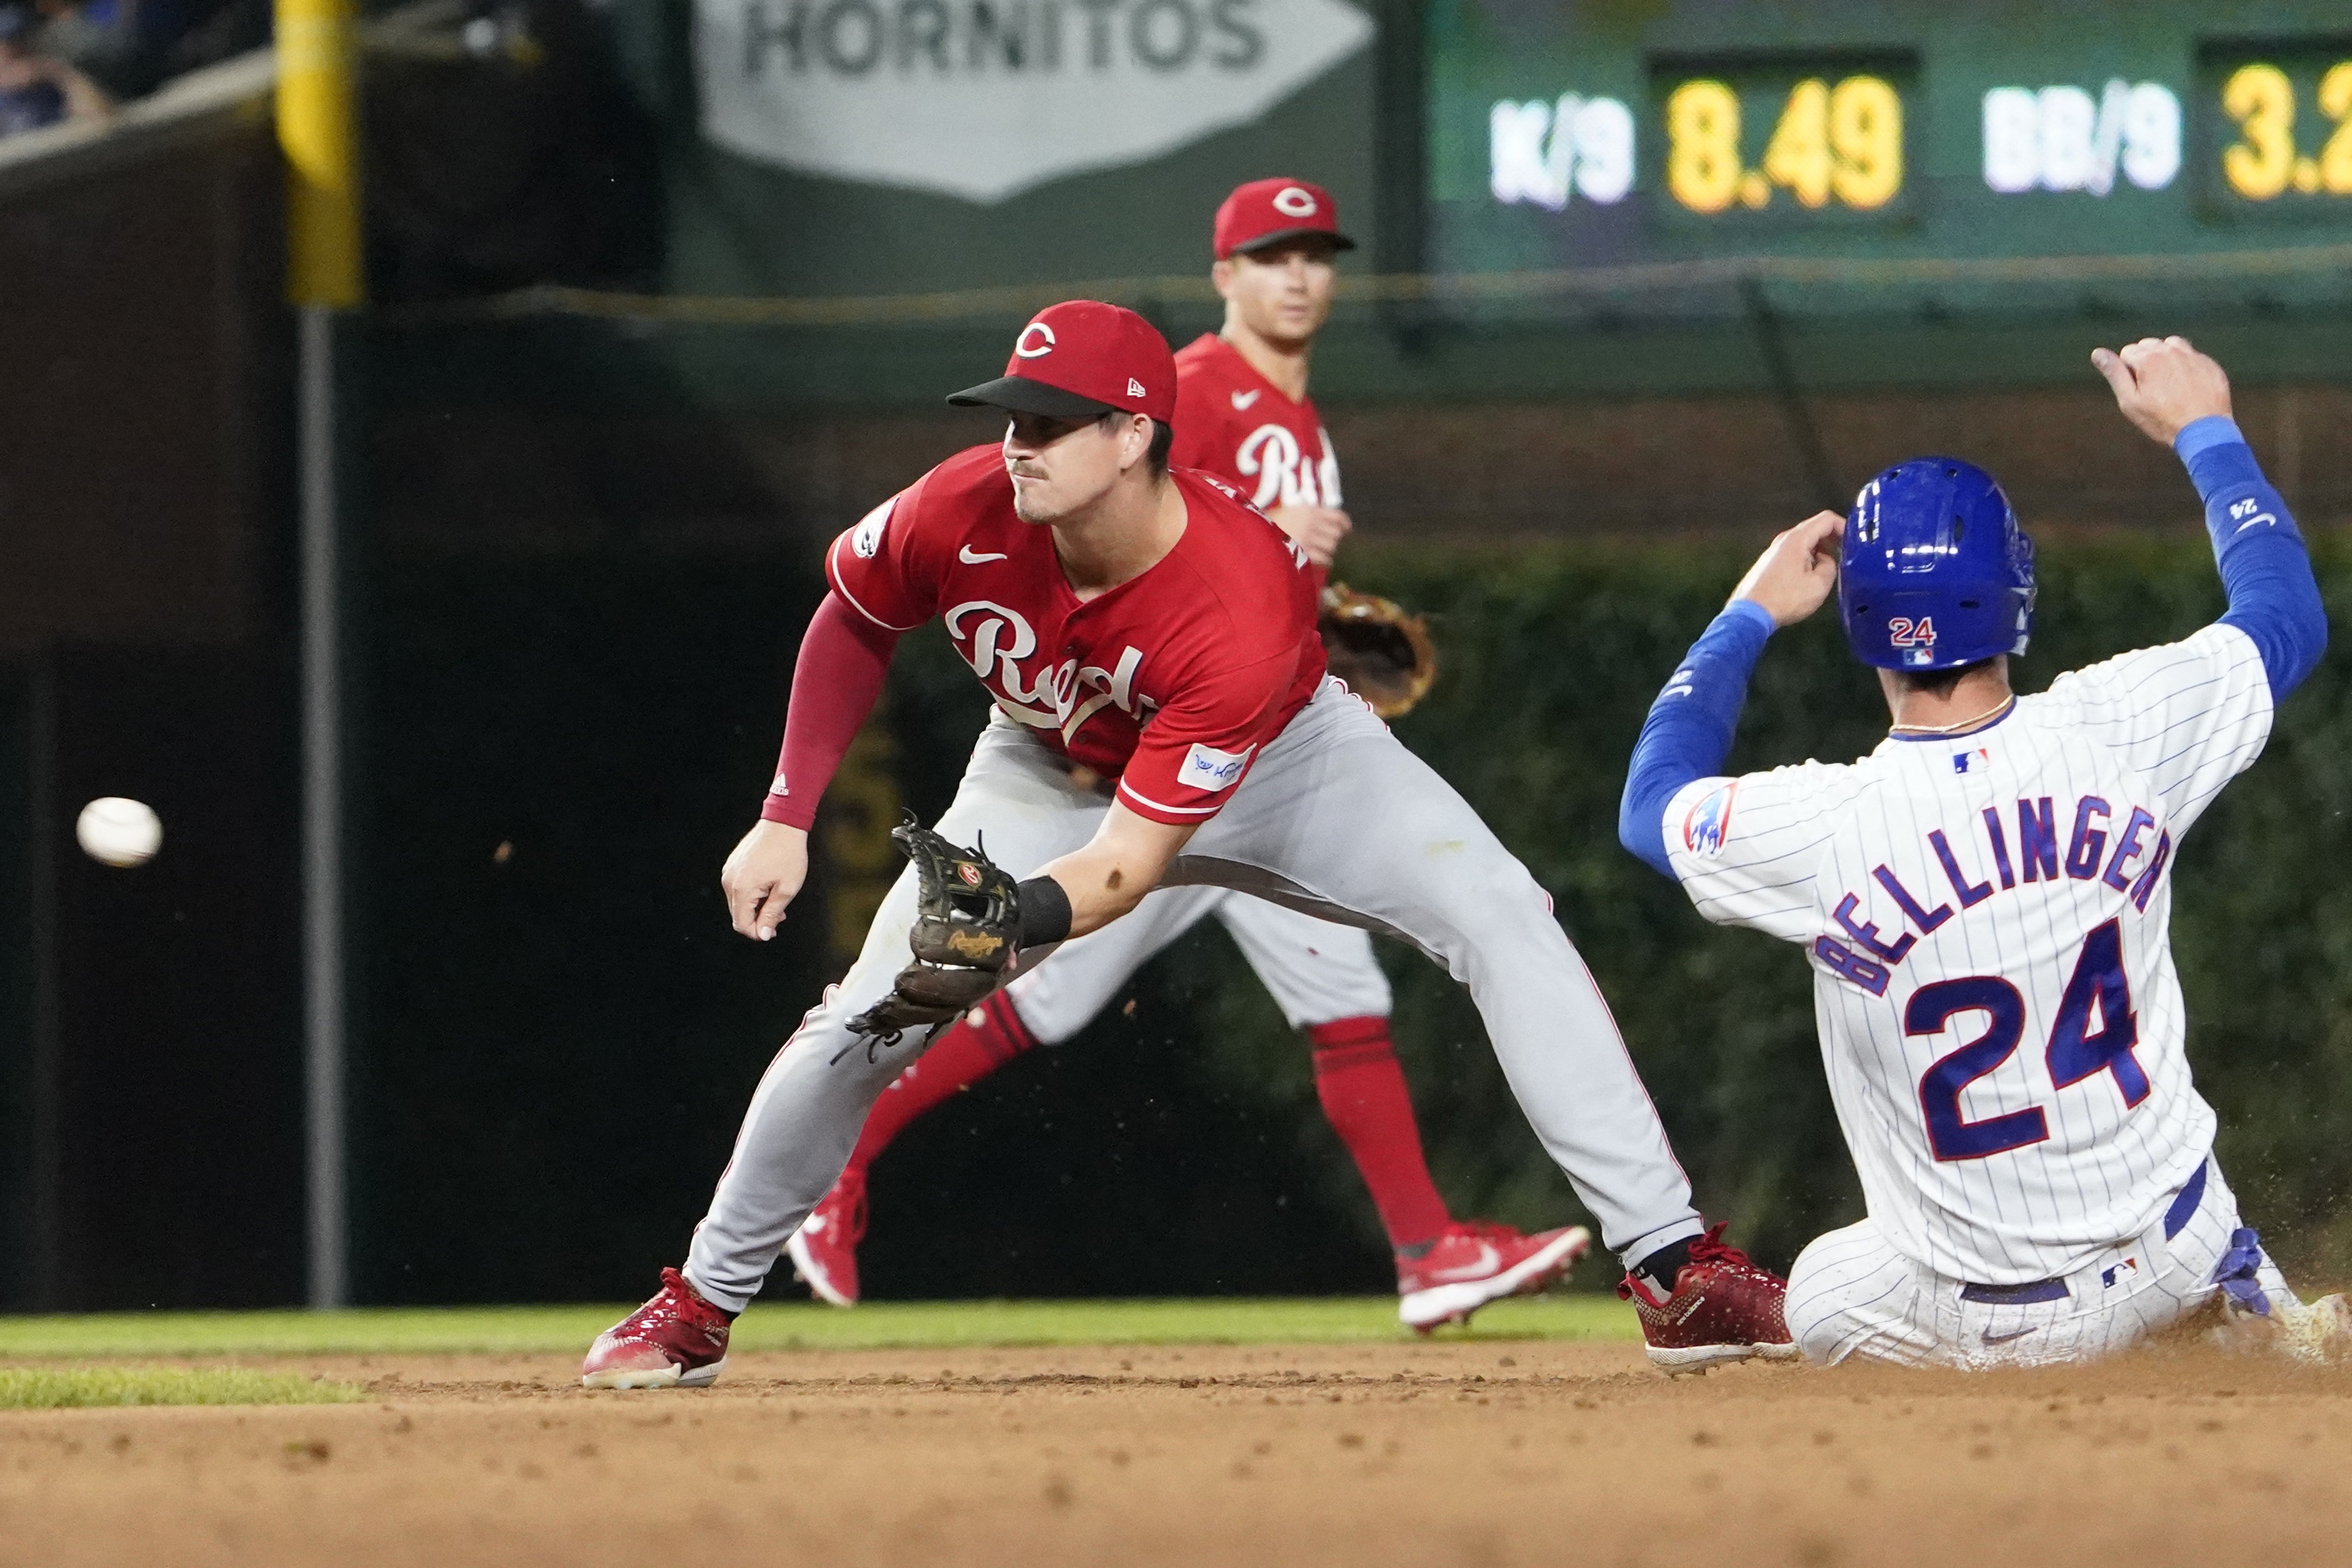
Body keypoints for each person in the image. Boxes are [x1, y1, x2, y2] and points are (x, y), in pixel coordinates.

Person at [582, 299, 1792, 1388]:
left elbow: (1124, 869)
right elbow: (852, 614)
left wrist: (1013, 918)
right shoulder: (960, 505)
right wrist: (786, 813)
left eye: (1052, 422)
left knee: (1500, 915)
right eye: (1012, 415)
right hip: (1039, 764)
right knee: (870, 1014)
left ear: (1133, 435)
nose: (1019, 442)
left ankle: (1671, 1267)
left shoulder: (1232, 603)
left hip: (1291, 761)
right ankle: (697, 1303)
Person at [785, 178, 1588, 1332]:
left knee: (1337, 993)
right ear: (1223, 276)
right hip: (1140, 777)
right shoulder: (1198, 389)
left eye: (1313, 253)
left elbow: (1231, 596)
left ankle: (1426, 1252)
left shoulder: (1297, 419)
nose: (1296, 275)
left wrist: (1314, 623)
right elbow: (1140, 545)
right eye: (1268, 256)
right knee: (1024, 993)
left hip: (1250, 760)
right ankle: (833, 1160)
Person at [1617, 335, 2349, 1368]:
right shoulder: (2118, 728)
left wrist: (1746, 613)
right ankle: (2262, 1320)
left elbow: (1649, 804)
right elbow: (2283, 616)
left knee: (1824, 1286)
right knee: (2205, 1254)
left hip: (1999, 1324)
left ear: (1861, 624)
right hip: (2186, 1251)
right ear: (2016, 591)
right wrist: (2206, 433)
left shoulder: (1824, 827)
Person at [0, 4, 110, 137]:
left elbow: (102, 121)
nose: (13, 50)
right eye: (4, 44)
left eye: (19, 41)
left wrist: (60, 75)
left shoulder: (52, 79)